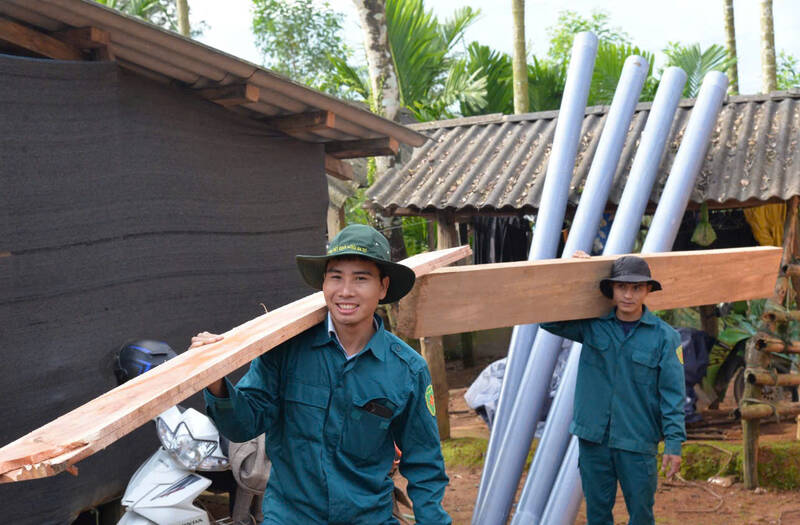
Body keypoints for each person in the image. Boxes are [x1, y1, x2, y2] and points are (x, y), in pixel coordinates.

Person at [191, 224, 451, 525]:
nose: (345, 291)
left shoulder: (407, 370)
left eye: (361, 278)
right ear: (324, 283)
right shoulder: (284, 350)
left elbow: (424, 463)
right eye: (336, 277)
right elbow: (243, 426)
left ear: (382, 287)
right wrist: (215, 379)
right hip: (291, 517)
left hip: (368, 518)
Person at [540, 253, 685, 525]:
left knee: (641, 515)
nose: (628, 295)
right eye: (621, 287)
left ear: (648, 290)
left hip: (638, 441)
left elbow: (673, 395)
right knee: (597, 516)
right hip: (594, 439)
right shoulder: (592, 326)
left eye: (636, 288)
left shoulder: (666, 337)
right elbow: (548, 321)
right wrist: (576, 272)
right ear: (611, 290)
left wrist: (674, 443)